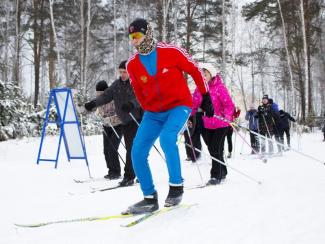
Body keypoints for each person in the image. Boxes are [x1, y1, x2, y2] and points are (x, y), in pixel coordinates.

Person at [124, 18, 213, 214]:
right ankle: (149, 198)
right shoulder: (132, 64)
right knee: (137, 151)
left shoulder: (172, 52)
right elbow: (137, 90)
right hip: (153, 113)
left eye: (137, 35)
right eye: (131, 37)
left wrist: (205, 96)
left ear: (147, 33)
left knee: (167, 139)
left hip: (178, 106)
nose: (134, 41)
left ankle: (176, 187)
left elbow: (195, 70)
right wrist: (145, 106)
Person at [84, 61, 143, 187]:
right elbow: (105, 96)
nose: (122, 74)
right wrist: (93, 103)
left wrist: (132, 104)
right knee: (133, 149)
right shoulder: (117, 85)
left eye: (124, 72)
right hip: (125, 120)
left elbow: (141, 96)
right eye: (120, 72)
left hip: (136, 119)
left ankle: (129, 176)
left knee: (132, 149)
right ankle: (139, 173)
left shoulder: (135, 82)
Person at [192, 63, 234, 185]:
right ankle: (223, 171)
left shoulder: (219, 88)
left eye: (205, 73)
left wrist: (226, 116)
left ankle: (215, 176)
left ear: (212, 74)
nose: (203, 76)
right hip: (207, 124)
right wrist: (188, 114)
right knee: (213, 149)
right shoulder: (199, 89)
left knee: (216, 148)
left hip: (221, 124)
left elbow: (229, 105)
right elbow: (193, 105)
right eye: (201, 74)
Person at [95, 80, 123, 180]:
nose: (99, 95)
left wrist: (110, 118)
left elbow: (121, 115)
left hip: (118, 126)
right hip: (106, 126)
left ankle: (116, 171)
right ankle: (111, 170)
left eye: (101, 93)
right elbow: (97, 110)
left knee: (112, 149)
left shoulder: (114, 99)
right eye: (97, 93)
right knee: (106, 150)